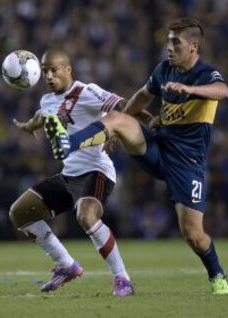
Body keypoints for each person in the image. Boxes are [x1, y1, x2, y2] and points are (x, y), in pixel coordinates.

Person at [45, 18, 228, 294]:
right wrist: (121, 127)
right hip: (158, 148)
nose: (169, 47)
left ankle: (216, 274)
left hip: (187, 164)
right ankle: (68, 142)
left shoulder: (205, 74)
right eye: (168, 41)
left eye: (175, 43)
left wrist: (191, 91)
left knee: (194, 235)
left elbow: (223, 91)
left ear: (193, 46)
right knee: (118, 118)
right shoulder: (164, 70)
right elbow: (142, 96)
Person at [9, 49, 134, 296]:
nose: (49, 75)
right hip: (70, 175)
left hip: (97, 171)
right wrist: (27, 126)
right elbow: (41, 116)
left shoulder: (87, 91)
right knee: (19, 213)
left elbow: (122, 104)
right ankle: (66, 265)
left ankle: (123, 279)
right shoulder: (47, 101)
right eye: (45, 71)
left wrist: (146, 120)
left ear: (68, 69)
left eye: (54, 69)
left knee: (86, 216)